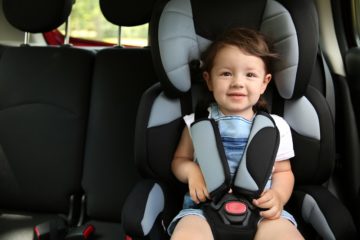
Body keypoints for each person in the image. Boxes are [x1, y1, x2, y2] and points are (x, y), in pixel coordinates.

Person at [168, 28, 304, 240]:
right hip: (203, 209)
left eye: (250, 75)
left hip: (261, 211)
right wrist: (192, 172)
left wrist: (278, 195)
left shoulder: (276, 127)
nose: (238, 82)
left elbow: (283, 172)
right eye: (226, 73)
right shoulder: (196, 122)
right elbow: (179, 160)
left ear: (264, 82)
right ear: (209, 80)